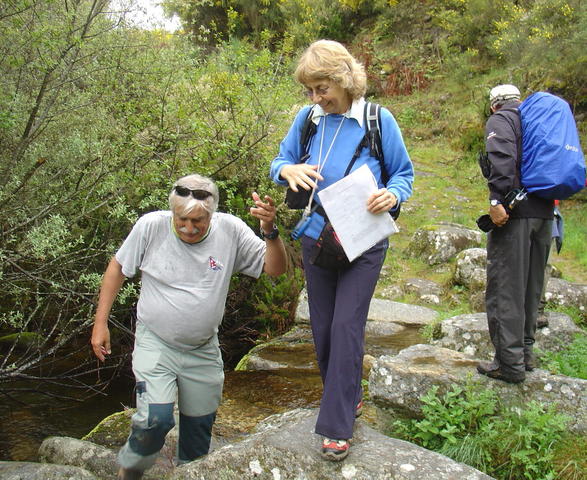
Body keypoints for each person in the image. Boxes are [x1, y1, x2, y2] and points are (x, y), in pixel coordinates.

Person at [270, 40, 413, 461]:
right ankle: (347, 396)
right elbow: (279, 161)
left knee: (347, 326)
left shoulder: (377, 119)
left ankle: (336, 427)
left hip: (365, 239)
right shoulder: (308, 119)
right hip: (317, 237)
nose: (316, 98)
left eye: (322, 89)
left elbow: (403, 174)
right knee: (323, 329)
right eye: (310, 91)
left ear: (344, 79)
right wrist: (287, 169)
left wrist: (393, 195)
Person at [91, 174, 286, 480]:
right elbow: (117, 268)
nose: (189, 228)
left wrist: (269, 231)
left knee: (198, 437)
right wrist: (100, 322)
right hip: (156, 342)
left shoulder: (230, 230)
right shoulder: (151, 227)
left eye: (199, 221)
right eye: (182, 219)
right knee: (154, 420)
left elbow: (275, 268)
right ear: (173, 213)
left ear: (213, 215)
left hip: (203, 348)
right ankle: (128, 474)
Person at [477, 84, 553, 384]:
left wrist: (497, 200)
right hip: (545, 214)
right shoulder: (538, 120)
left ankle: (509, 365)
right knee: (532, 286)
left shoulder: (502, 119)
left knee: (506, 288)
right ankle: (526, 353)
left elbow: (502, 159)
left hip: (515, 214)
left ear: (495, 104)